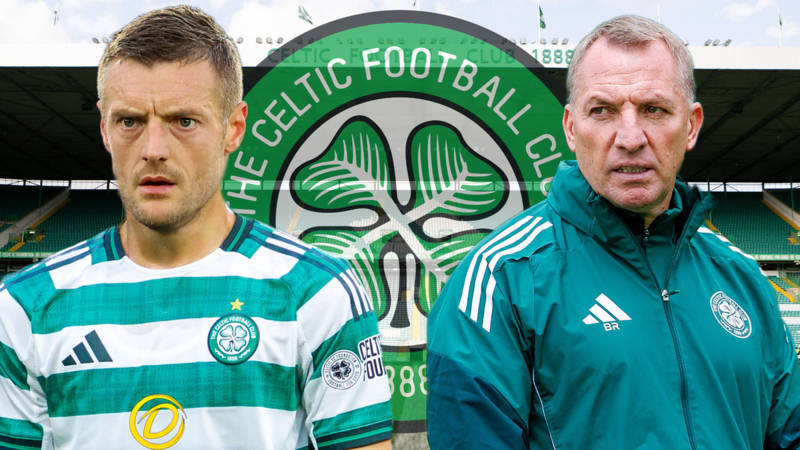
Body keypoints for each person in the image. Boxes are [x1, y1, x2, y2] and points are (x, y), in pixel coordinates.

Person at [0, 6, 391, 450]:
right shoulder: (24, 309)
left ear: (233, 128)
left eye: (183, 121)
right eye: (130, 121)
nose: (153, 149)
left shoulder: (317, 292)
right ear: (105, 129)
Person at [426, 15, 800, 449]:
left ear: (692, 125)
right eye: (602, 110)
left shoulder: (741, 277)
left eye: (654, 109)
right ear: (571, 127)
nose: (630, 137)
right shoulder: (501, 279)